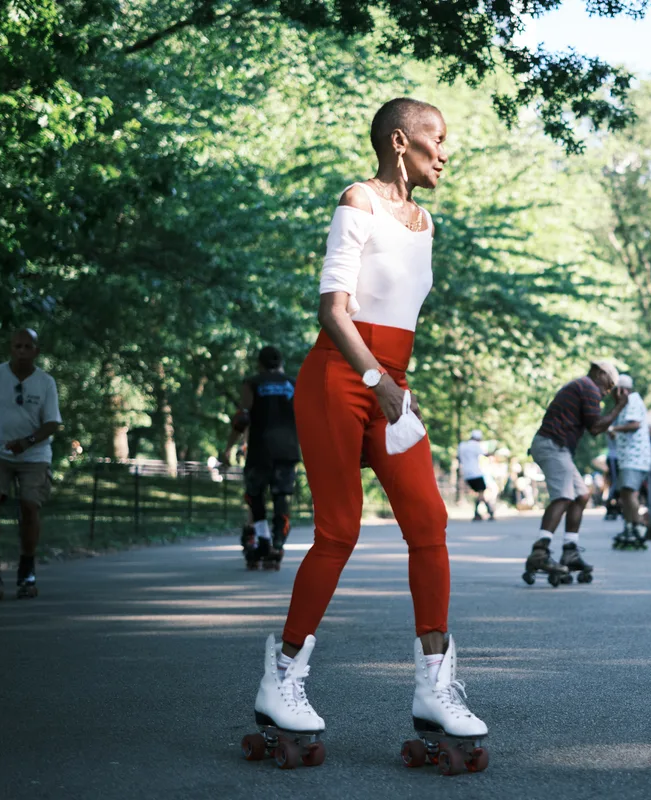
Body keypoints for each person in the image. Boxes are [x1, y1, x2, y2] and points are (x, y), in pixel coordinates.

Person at [247, 98, 487, 763]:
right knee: (338, 532)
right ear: (401, 141)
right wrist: (375, 379)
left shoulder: (425, 220)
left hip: (392, 385)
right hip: (337, 378)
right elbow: (332, 308)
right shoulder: (358, 199)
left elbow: (400, 314)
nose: (446, 151)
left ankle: (435, 687)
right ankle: (283, 678)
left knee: (429, 523)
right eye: (437, 139)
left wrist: (393, 385)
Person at [0, 329, 62, 600]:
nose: (22, 351)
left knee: (29, 504)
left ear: (36, 351)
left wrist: (27, 442)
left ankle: (27, 569)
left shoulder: (45, 382)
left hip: (34, 456)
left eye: (28, 347)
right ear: (10, 349)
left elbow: (52, 423)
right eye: (17, 346)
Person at [523, 360, 629, 584]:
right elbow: (595, 427)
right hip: (552, 445)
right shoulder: (589, 387)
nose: (607, 392)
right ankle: (540, 551)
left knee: (581, 495)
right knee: (563, 496)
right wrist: (619, 406)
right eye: (608, 386)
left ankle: (570, 550)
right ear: (600, 374)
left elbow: (594, 425)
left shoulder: (584, 386)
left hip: (556, 446)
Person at [221, 345, 301, 568]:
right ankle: (277, 545)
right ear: (281, 363)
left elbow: (242, 419)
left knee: (255, 496)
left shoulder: (252, 383)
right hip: (287, 450)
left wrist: (229, 447)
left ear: (259, 363)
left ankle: (263, 538)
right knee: (281, 497)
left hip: (260, 449)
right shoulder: (294, 384)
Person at [608, 374, 651, 547]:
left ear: (621, 390)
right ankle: (629, 525)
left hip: (635, 457)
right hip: (627, 457)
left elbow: (635, 425)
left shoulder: (632, 400)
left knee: (628, 490)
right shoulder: (625, 404)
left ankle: (639, 525)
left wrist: (614, 428)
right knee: (624, 493)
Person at [458, 429, 495, 521]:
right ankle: (486, 511)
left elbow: (458, 457)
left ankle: (485, 511)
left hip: (466, 473)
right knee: (481, 492)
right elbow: (485, 454)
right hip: (475, 472)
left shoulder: (462, 445)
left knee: (479, 492)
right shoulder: (476, 445)